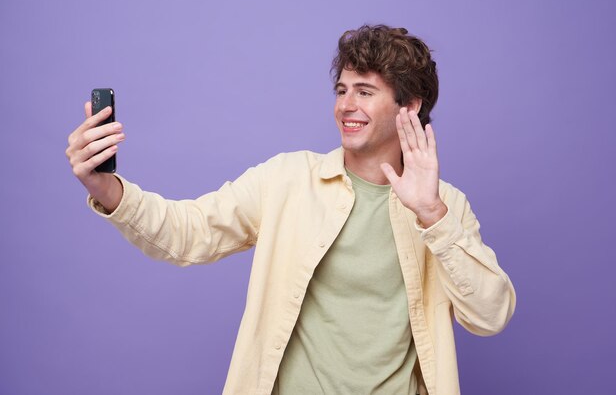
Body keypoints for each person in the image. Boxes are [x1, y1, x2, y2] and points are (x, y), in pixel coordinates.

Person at [66, 24, 516, 395]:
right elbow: (187, 233)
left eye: (365, 92)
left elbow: (490, 315)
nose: (346, 105)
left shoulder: (446, 205)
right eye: (342, 90)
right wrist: (106, 187)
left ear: (410, 106)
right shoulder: (287, 181)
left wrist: (432, 214)